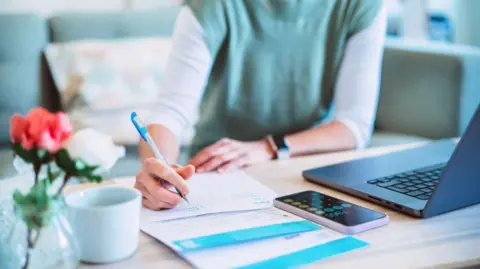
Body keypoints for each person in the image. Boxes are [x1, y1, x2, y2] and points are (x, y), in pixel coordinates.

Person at [135, 0, 387, 210]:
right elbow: (171, 110)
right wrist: (160, 170)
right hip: (218, 171)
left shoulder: (362, 5)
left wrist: (268, 147)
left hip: (311, 168)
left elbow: (354, 126)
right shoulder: (211, 5)